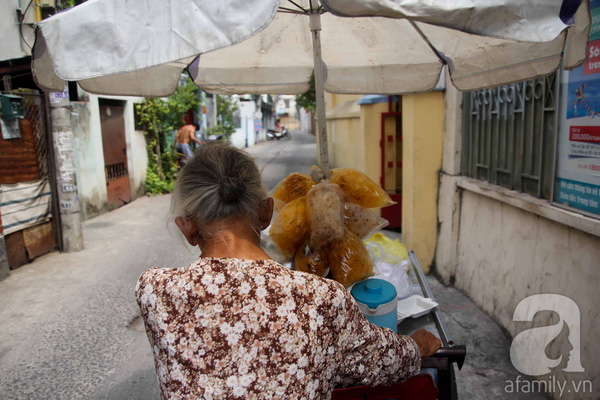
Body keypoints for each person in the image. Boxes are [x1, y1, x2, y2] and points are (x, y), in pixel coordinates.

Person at [136, 142, 440, 399]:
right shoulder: (319, 298)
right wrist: (417, 346)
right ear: (266, 212)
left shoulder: (154, 291)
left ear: (187, 227)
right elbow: (379, 361)